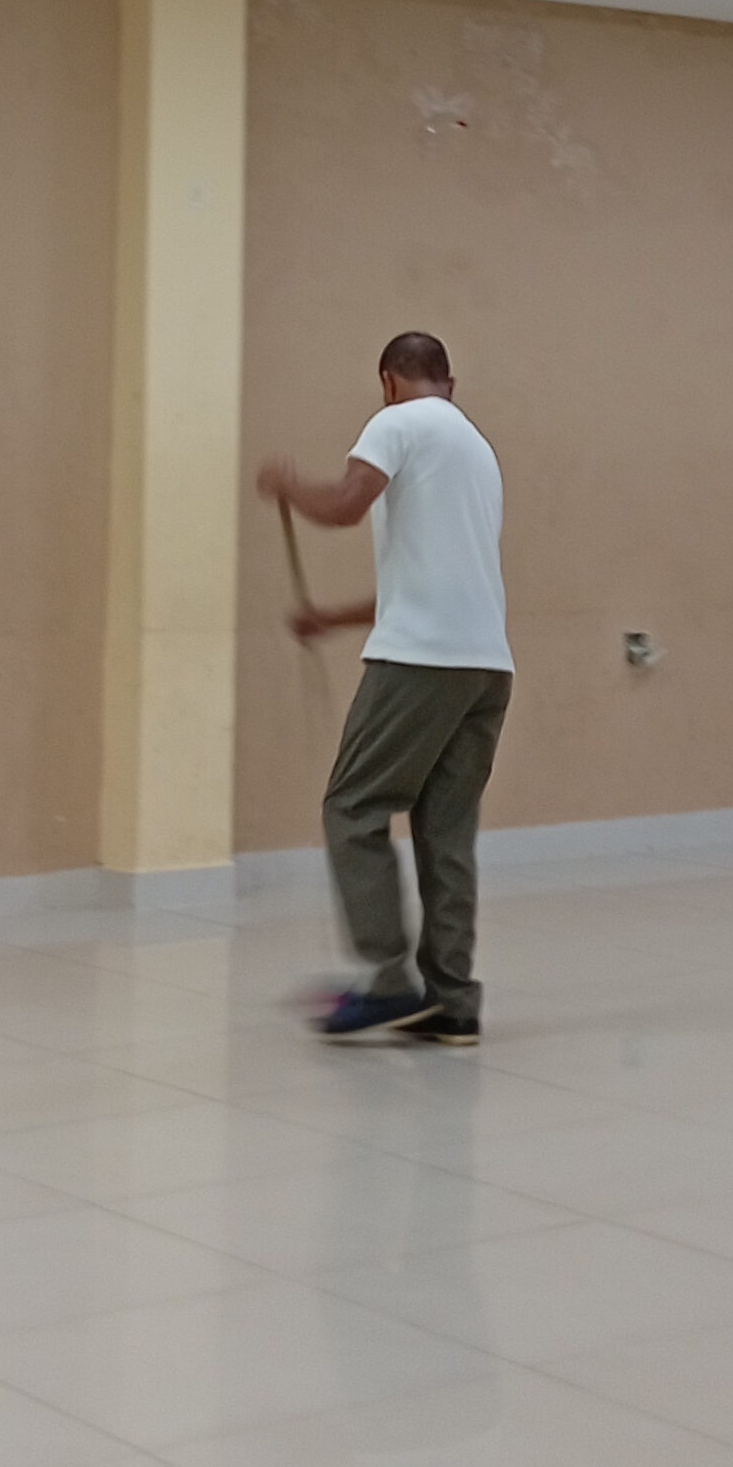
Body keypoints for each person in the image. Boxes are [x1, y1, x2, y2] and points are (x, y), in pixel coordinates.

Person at [257, 331, 511, 1042]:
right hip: (486, 667)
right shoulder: (478, 453)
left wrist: (288, 485)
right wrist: (331, 618)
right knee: (446, 831)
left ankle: (388, 981)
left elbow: (344, 505)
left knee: (353, 806)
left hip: (419, 664)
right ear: (450, 383)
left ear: (388, 381)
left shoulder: (396, 422)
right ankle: (453, 1001)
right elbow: (430, 584)